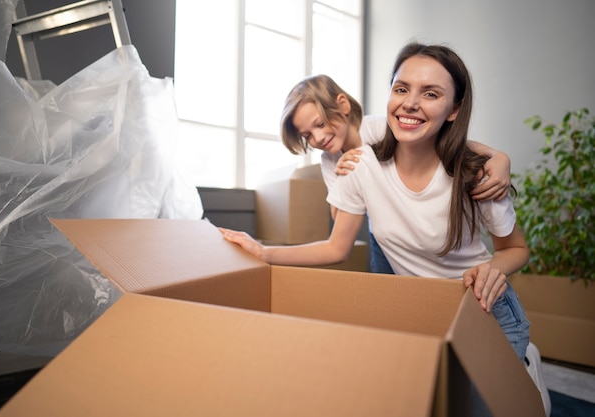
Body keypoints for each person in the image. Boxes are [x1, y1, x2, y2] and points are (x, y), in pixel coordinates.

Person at [221, 42, 538, 416]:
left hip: (486, 311)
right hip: (423, 302)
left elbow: (516, 248)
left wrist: (500, 161)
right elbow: (336, 244)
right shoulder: (351, 165)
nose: (409, 103)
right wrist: (264, 251)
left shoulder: (475, 174)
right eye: (401, 89)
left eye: (431, 93)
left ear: (453, 109)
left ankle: (526, 373)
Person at [278, 74, 512, 274]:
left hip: (414, 224)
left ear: (342, 105)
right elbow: (339, 219)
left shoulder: (380, 129)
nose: (317, 139)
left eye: (319, 124)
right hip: (382, 235)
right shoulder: (329, 161)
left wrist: (498, 157)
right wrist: (342, 179)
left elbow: (447, 143)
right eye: (307, 135)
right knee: (387, 290)